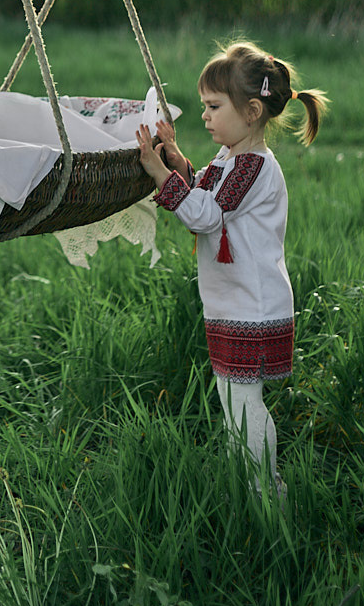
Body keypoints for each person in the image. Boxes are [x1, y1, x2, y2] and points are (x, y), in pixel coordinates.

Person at [136, 41, 327, 502]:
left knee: (243, 402)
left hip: (252, 308)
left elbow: (205, 215)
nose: (205, 115)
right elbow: (204, 191)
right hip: (231, 304)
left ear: (252, 112)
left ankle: (267, 493)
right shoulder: (230, 160)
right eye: (204, 105)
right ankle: (244, 479)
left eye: (214, 106)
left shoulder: (253, 167)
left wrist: (160, 175)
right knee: (231, 398)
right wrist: (177, 160)